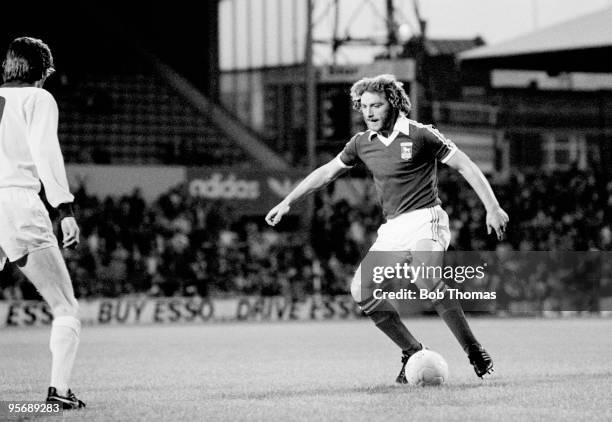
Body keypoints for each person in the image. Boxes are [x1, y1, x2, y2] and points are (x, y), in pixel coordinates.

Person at [266, 74, 509, 382]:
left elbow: (465, 165)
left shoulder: (421, 134)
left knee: (427, 280)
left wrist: (492, 206)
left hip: (426, 219)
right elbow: (327, 172)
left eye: (375, 105)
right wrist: (288, 200)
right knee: (361, 290)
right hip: (394, 228)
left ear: (392, 103)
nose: (368, 112)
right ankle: (411, 348)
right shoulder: (361, 143)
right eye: (363, 106)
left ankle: (473, 349)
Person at [0, 37, 85, 408]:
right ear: (42, 71)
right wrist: (64, 209)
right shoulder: (38, 99)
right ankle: (59, 395)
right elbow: (45, 152)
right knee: (65, 305)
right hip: (17, 203)